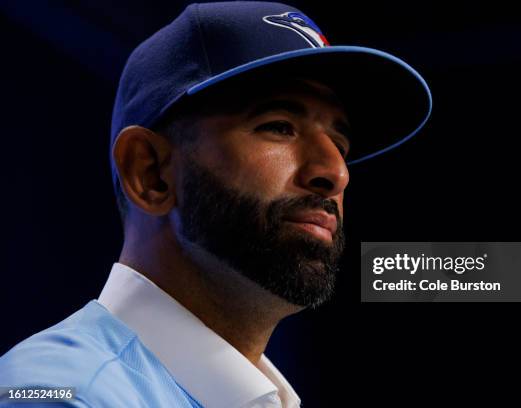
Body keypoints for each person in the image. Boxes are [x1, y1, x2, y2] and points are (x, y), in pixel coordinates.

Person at [0, 2, 431, 407]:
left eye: (340, 142)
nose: (336, 172)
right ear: (149, 172)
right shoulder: (63, 394)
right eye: (279, 126)